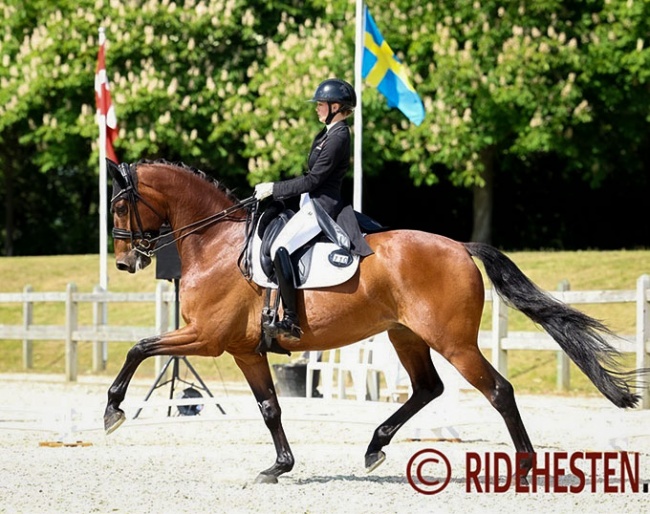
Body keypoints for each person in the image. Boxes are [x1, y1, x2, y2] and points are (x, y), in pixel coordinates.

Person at [254, 78, 373, 343]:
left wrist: (275, 188)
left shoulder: (339, 136)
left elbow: (313, 180)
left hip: (322, 207)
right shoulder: (326, 133)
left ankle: (291, 320)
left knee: (279, 248)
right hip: (309, 203)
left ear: (336, 107)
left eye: (321, 104)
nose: (317, 108)